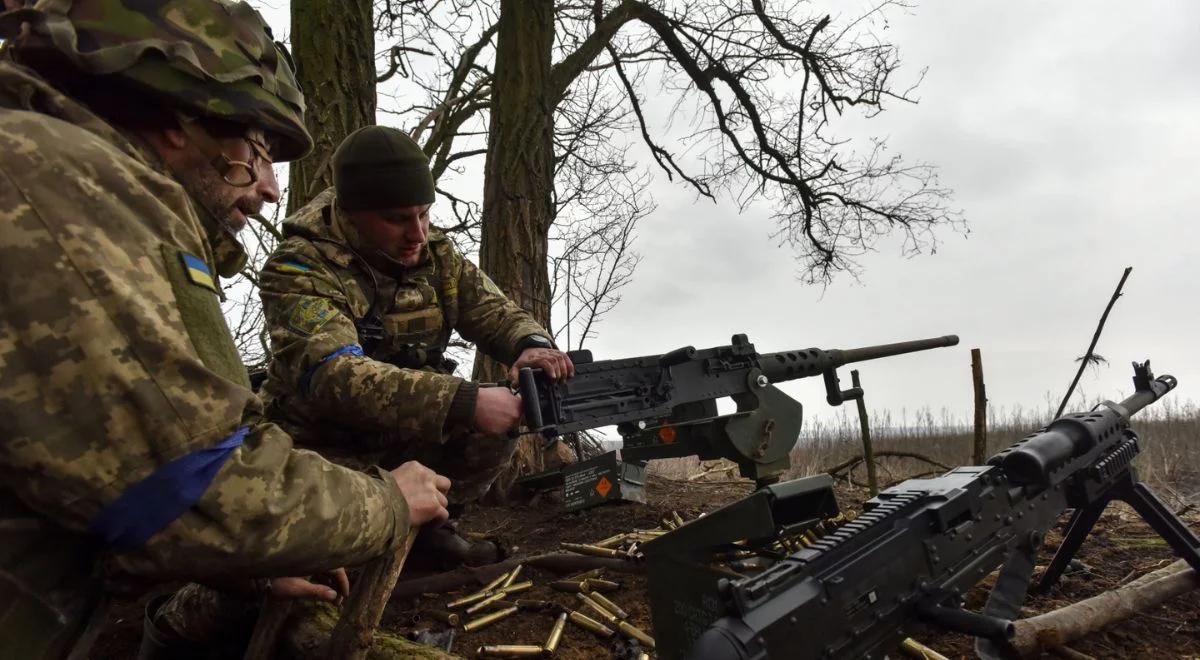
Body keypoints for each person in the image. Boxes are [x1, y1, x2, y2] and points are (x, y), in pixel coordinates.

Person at [0, 3, 450, 658]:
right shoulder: (57, 181)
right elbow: (190, 489)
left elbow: (69, 483)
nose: (270, 188)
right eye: (259, 150)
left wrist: (523, 345)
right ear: (180, 119)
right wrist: (387, 503)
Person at [257, 125, 574, 561]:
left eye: (424, 214)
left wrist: (531, 342)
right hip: (321, 447)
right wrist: (463, 401)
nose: (418, 234)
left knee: (496, 423)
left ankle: (430, 530)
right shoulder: (296, 269)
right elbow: (332, 377)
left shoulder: (435, 254)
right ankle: (353, 544)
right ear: (351, 212)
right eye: (398, 219)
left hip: (404, 432)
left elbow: (491, 309)